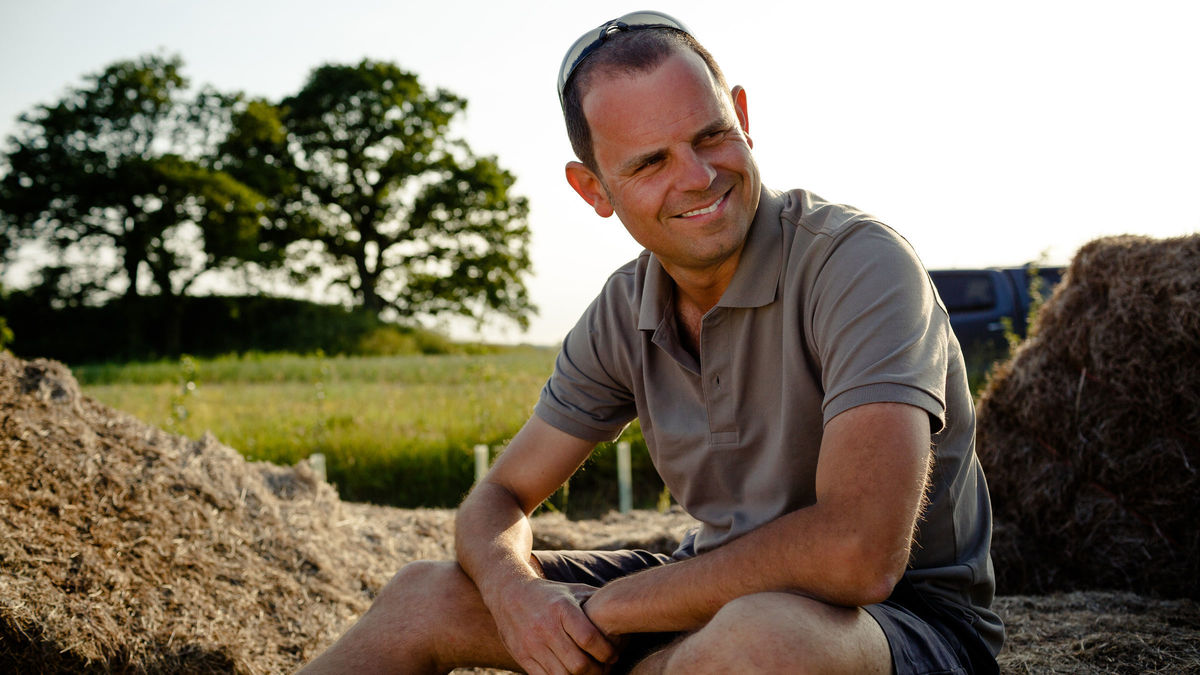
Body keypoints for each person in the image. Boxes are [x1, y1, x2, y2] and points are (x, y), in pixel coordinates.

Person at [301, 10, 1003, 674]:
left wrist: (602, 611)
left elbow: (860, 553)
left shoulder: (858, 264)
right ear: (593, 189)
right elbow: (501, 496)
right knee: (422, 595)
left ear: (744, 118)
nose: (697, 178)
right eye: (648, 163)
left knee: (755, 644)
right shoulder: (622, 308)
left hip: (905, 620)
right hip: (713, 596)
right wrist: (519, 595)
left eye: (709, 136)